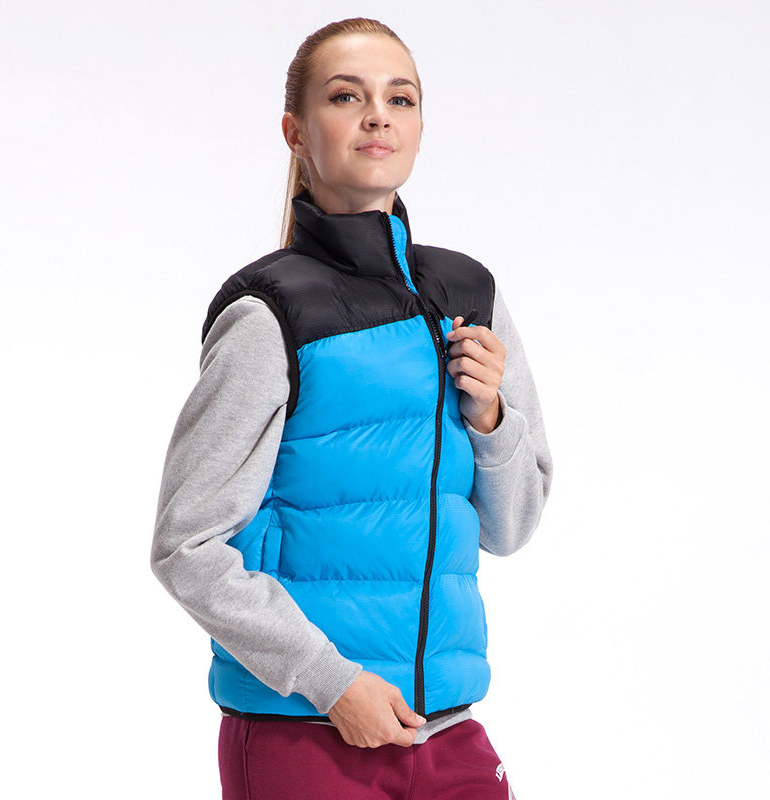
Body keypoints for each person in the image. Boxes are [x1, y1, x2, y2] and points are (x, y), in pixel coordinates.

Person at [150, 16, 552, 800]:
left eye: (400, 99)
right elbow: (186, 547)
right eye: (346, 96)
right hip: (305, 735)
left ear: (420, 126)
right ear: (296, 133)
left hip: (449, 730)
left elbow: (511, 527)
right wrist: (331, 682)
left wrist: (491, 419)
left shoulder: (469, 293)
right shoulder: (269, 314)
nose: (378, 117)